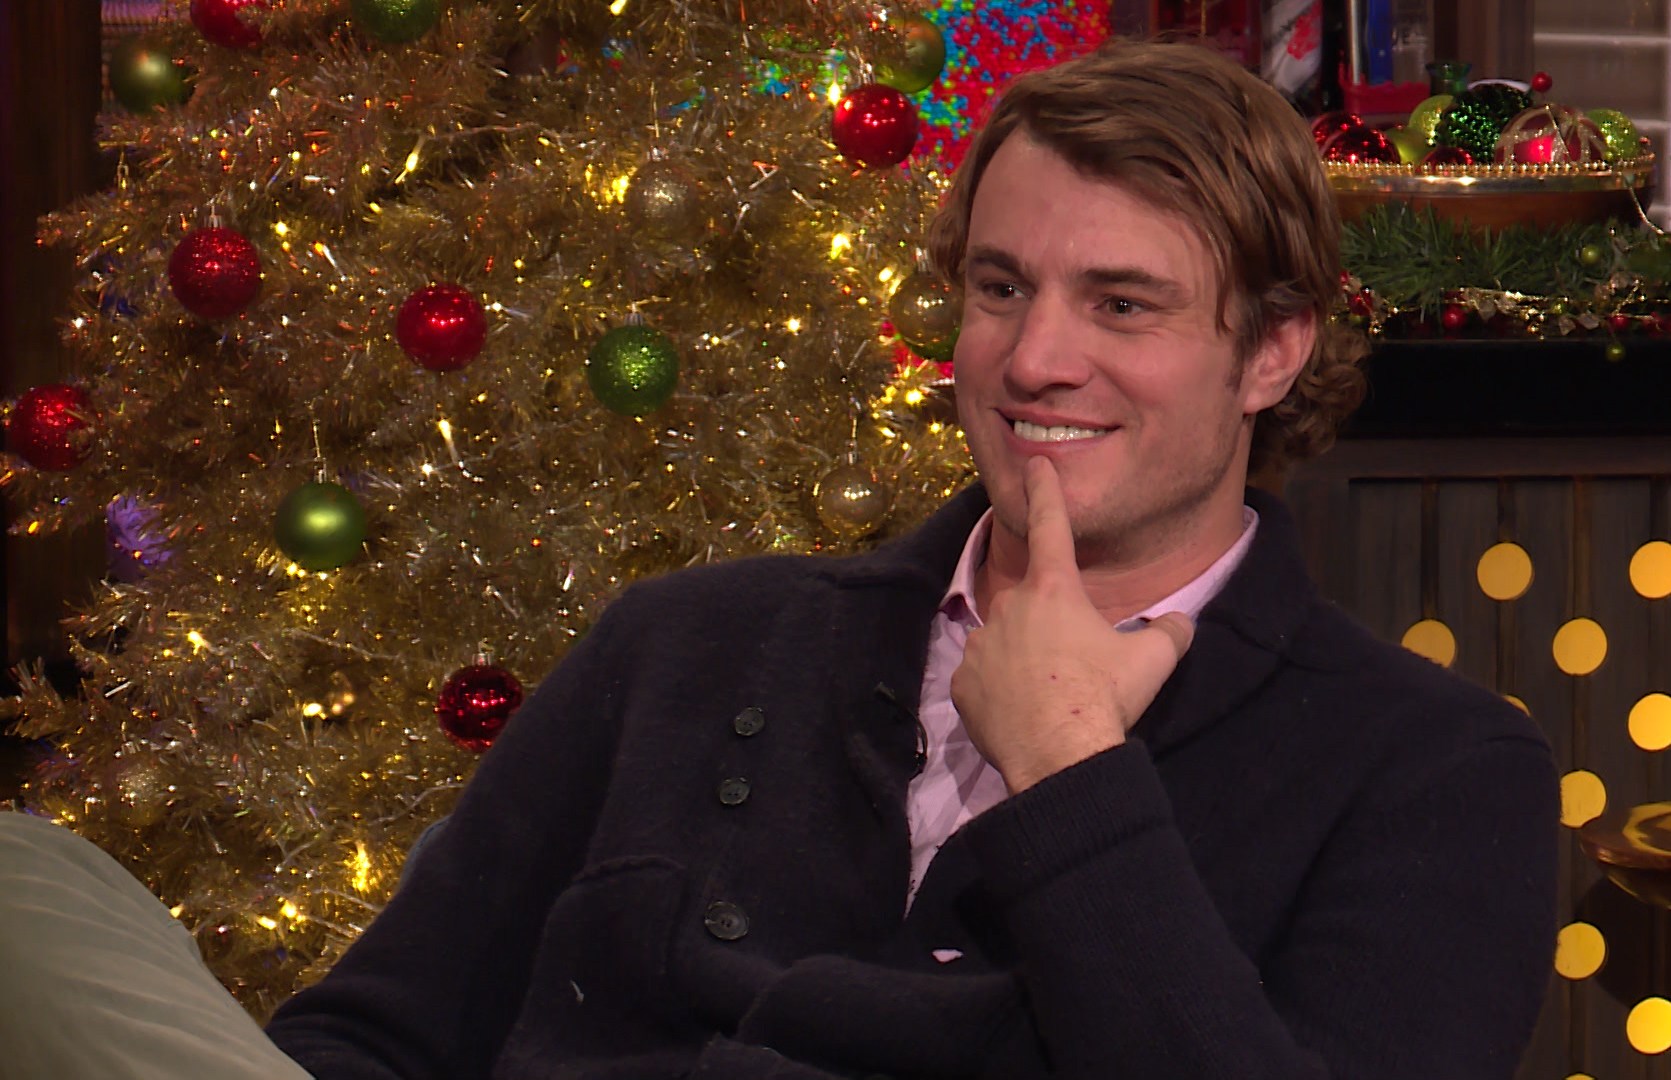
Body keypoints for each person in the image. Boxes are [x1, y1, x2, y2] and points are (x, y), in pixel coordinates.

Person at [1, 37, 1559, 1080]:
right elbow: (380, 1039)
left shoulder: (1431, 773)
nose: (1034, 359)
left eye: (1124, 305)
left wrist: (1072, 773)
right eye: (1000, 288)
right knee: (25, 890)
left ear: (1273, 351)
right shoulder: (692, 642)